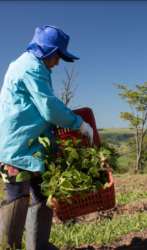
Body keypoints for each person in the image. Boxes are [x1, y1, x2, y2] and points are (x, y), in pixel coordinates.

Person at [0, 25, 93, 250]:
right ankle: (8, 247)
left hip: (32, 147)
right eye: (58, 56)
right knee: (17, 200)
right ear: (48, 51)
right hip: (17, 147)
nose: (58, 62)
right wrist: (79, 124)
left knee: (43, 197)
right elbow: (49, 108)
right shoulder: (30, 68)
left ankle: (38, 247)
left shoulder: (33, 65)